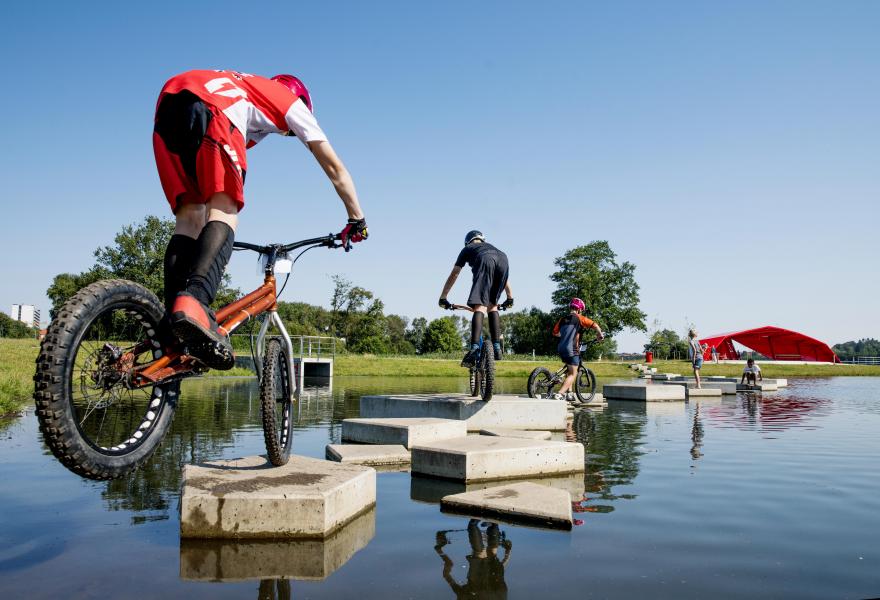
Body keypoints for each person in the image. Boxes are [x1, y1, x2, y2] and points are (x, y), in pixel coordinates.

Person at [153, 70, 367, 369]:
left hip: (168, 104)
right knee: (225, 209)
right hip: (213, 107)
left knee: (190, 216)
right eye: (289, 133)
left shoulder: (247, 93)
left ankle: (172, 323)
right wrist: (356, 218)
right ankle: (196, 301)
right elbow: (334, 167)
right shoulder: (290, 102)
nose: (286, 134)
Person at [439, 231, 513, 365]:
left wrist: (443, 297)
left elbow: (455, 273)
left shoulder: (468, 248)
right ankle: (497, 348)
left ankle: (474, 348)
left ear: (468, 241)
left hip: (485, 259)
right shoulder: (492, 246)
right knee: (493, 306)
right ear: (482, 240)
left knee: (480, 306)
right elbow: (504, 277)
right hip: (504, 259)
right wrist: (510, 297)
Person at [551, 298, 604, 403]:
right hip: (571, 348)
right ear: (579, 309)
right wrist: (600, 335)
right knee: (573, 374)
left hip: (561, 347)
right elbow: (595, 325)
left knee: (569, 369)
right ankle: (560, 394)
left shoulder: (562, 319)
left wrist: (565, 335)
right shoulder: (580, 318)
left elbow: (555, 333)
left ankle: (569, 394)